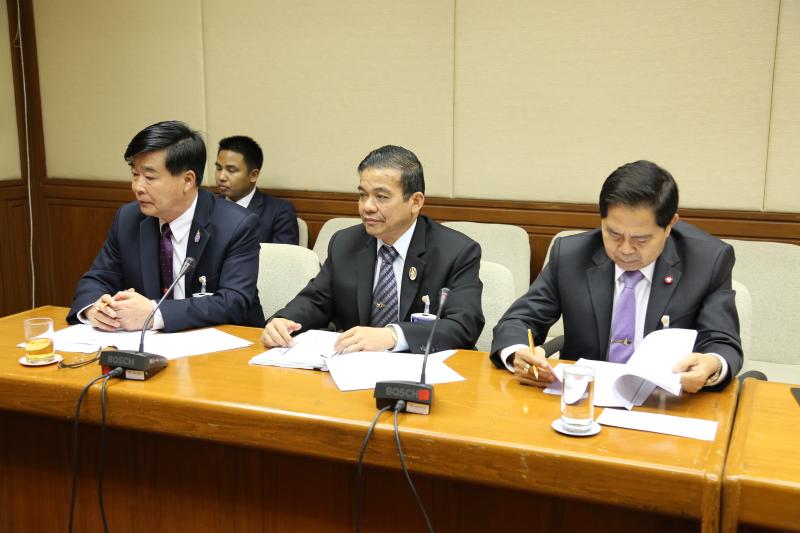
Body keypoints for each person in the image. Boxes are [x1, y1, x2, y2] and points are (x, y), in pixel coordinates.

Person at [490, 160, 742, 392]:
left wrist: (712, 365)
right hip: (584, 399)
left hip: (666, 401)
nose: (625, 249)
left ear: (670, 225)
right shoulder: (571, 255)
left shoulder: (707, 261)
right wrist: (519, 353)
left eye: (641, 239)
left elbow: (722, 342)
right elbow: (519, 320)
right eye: (614, 234)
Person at [261, 145, 484, 354]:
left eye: (381, 197)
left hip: (423, 368)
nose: (367, 206)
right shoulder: (345, 243)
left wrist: (394, 336)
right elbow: (315, 301)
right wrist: (283, 321)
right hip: (354, 366)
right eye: (362, 195)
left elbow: (464, 326)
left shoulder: (456, 252)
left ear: (415, 202)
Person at [67, 121, 265, 332]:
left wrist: (155, 313)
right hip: (147, 344)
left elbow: (234, 301)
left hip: (226, 344)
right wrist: (95, 308)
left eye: (149, 177)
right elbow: (96, 279)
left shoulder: (236, 225)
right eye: (135, 174)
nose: (137, 187)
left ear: (187, 180)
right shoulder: (128, 219)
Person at [215, 135, 299, 244]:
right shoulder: (208, 206)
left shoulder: (279, 212)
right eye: (218, 168)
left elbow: (282, 255)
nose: (221, 177)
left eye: (231, 170)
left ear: (253, 175)